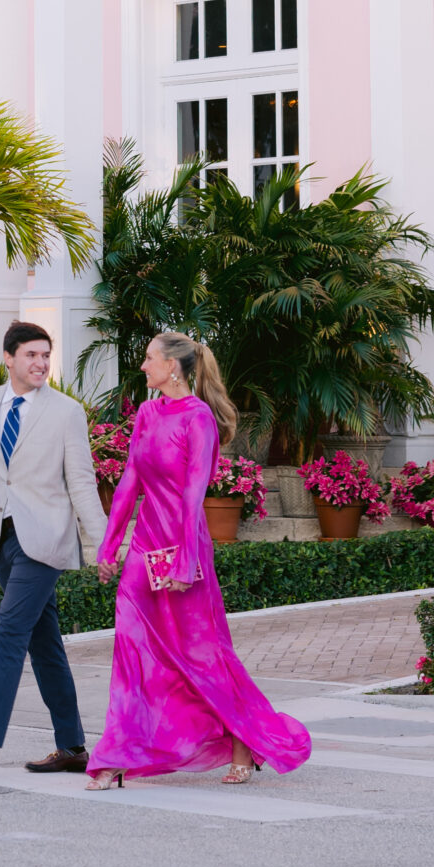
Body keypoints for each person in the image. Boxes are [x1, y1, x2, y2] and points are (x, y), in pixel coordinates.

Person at [87, 330, 311, 789]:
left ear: (174, 367)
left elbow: (193, 497)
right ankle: (114, 756)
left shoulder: (199, 418)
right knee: (131, 650)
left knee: (204, 656)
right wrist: (110, 546)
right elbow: (129, 480)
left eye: (149, 358)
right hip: (146, 547)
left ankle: (242, 742)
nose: (143, 366)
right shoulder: (148, 413)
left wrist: (186, 562)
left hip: (185, 550)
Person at [0, 320, 104, 778]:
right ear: (8, 357)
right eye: (31, 354)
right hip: (2, 540)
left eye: (46, 355)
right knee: (43, 642)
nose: (41, 363)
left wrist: (104, 544)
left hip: (45, 540)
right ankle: (72, 747)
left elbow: (82, 483)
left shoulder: (67, 412)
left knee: (9, 632)